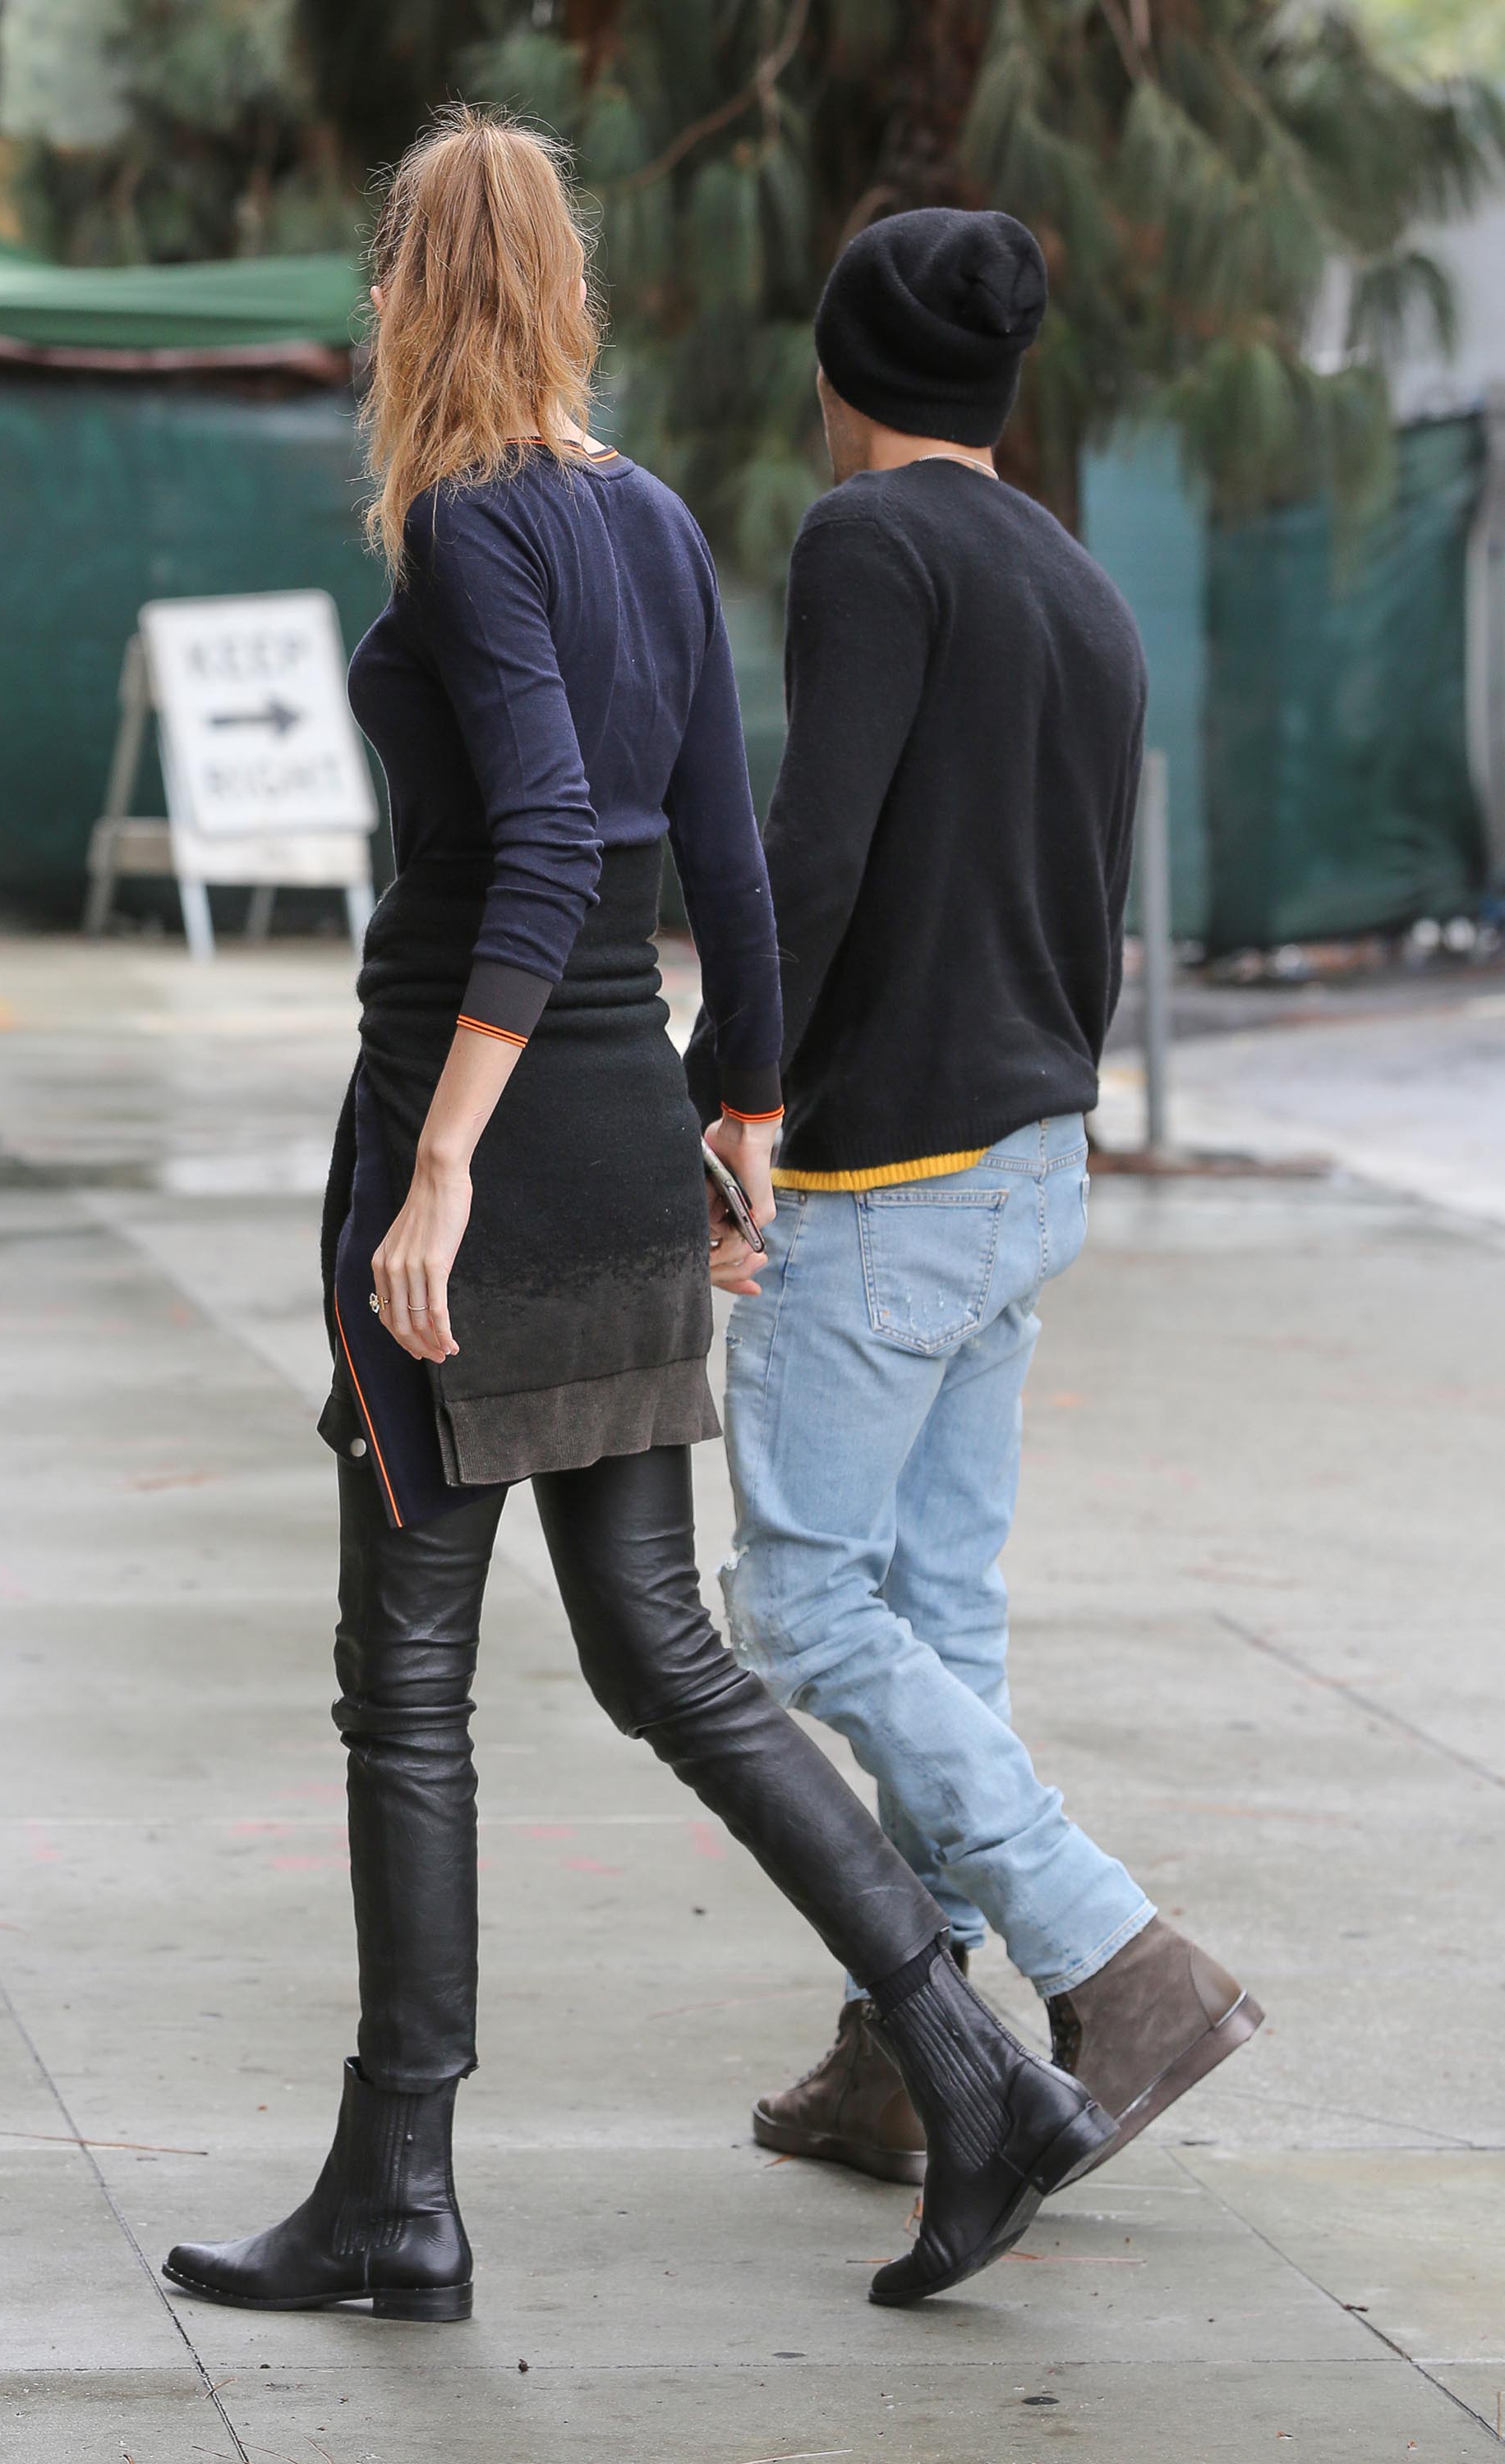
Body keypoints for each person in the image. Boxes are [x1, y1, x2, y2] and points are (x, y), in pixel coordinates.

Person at [162, 114, 1116, 2326]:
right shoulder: (658, 517)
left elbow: (553, 837)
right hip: (616, 1127)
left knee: (405, 1687)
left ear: (416, 289)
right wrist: (745, 1109)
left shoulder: (467, 524)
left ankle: (401, 2188)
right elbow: (722, 860)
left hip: (483, 1138)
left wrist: (432, 1171)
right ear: (563, 279)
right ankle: (971, 2074)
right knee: (660, 1651)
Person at [689, 208, 1261, 2191]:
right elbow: (1079, 900)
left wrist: (731, 1089)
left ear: (840, 373)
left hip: (882, 1179)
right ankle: (906, 2051)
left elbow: (811, 853)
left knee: (800, 1605)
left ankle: (1108, 1950)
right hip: (1028, 1159)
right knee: (933, 1616)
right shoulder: (1074, 581)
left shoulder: (868, 543)